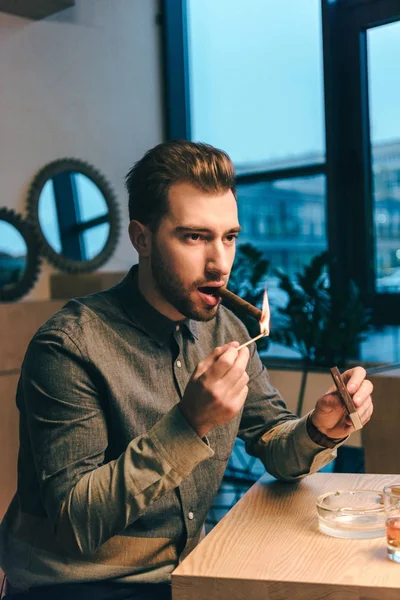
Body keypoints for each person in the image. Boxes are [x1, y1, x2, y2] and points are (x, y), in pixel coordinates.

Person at [0, 141, 373, 600]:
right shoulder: (68, 347)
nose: (220, 263)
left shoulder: (227, 328)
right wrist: (190, 423)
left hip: (183, 576)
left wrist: (318, 429)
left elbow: (274, 441)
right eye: (194, 237)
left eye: (229, 237)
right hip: (74, 586)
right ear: (141, 238)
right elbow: (77, 522)